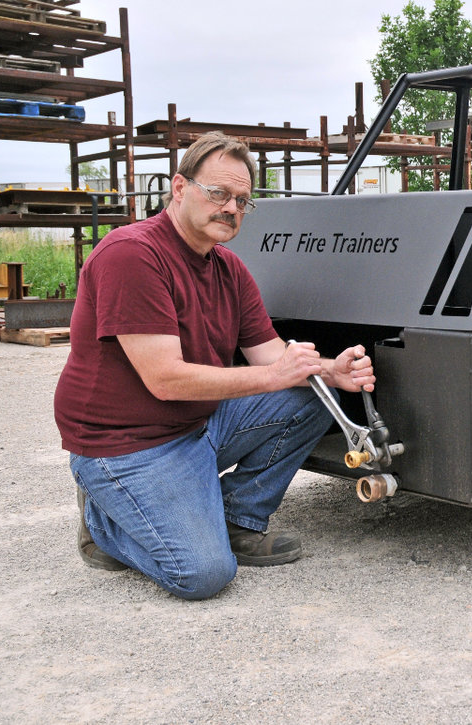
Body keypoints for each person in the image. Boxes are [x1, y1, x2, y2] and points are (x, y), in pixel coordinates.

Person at [54, 131, 375, 600]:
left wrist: (331, 371)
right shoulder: (132, 256)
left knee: (313, 399)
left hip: (196, 423)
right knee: (202, 575)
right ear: (180, 189)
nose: (231, 208)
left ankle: (237, 519)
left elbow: (271, 355)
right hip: (125, 443)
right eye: (219, 193)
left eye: (243, 200)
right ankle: (104, 519)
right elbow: (165, 379)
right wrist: (273, 376)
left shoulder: (228, 267)